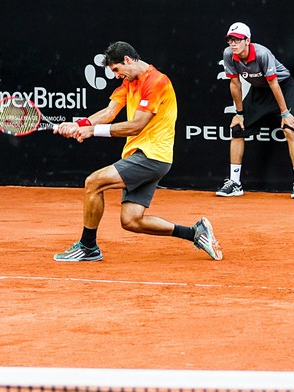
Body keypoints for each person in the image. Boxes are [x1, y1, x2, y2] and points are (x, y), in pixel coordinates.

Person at [53, 41, 222, 262]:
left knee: (93, 183)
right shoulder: (128, 83)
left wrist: (92, 131)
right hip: (139, 155)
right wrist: (80, 124)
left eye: (116, 70)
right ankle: (195, 233)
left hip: (152, 156)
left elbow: (136, 126)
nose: (115, 75)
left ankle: (88, 246)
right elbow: (109, 112)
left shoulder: (157, 82)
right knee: (131, 221)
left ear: (128, 60)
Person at [217, 22, 294, 199]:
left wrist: (285, 113)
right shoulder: (229, 54)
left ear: (247, 40)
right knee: (237, 130)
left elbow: (274, 84)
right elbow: (234, 84)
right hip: (259, 91)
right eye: (230, 40)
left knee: (289, 130)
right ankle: (235, 183)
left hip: (282, 87)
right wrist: (239, 113)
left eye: (237, 40)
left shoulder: (262, 54)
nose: (233, 43)